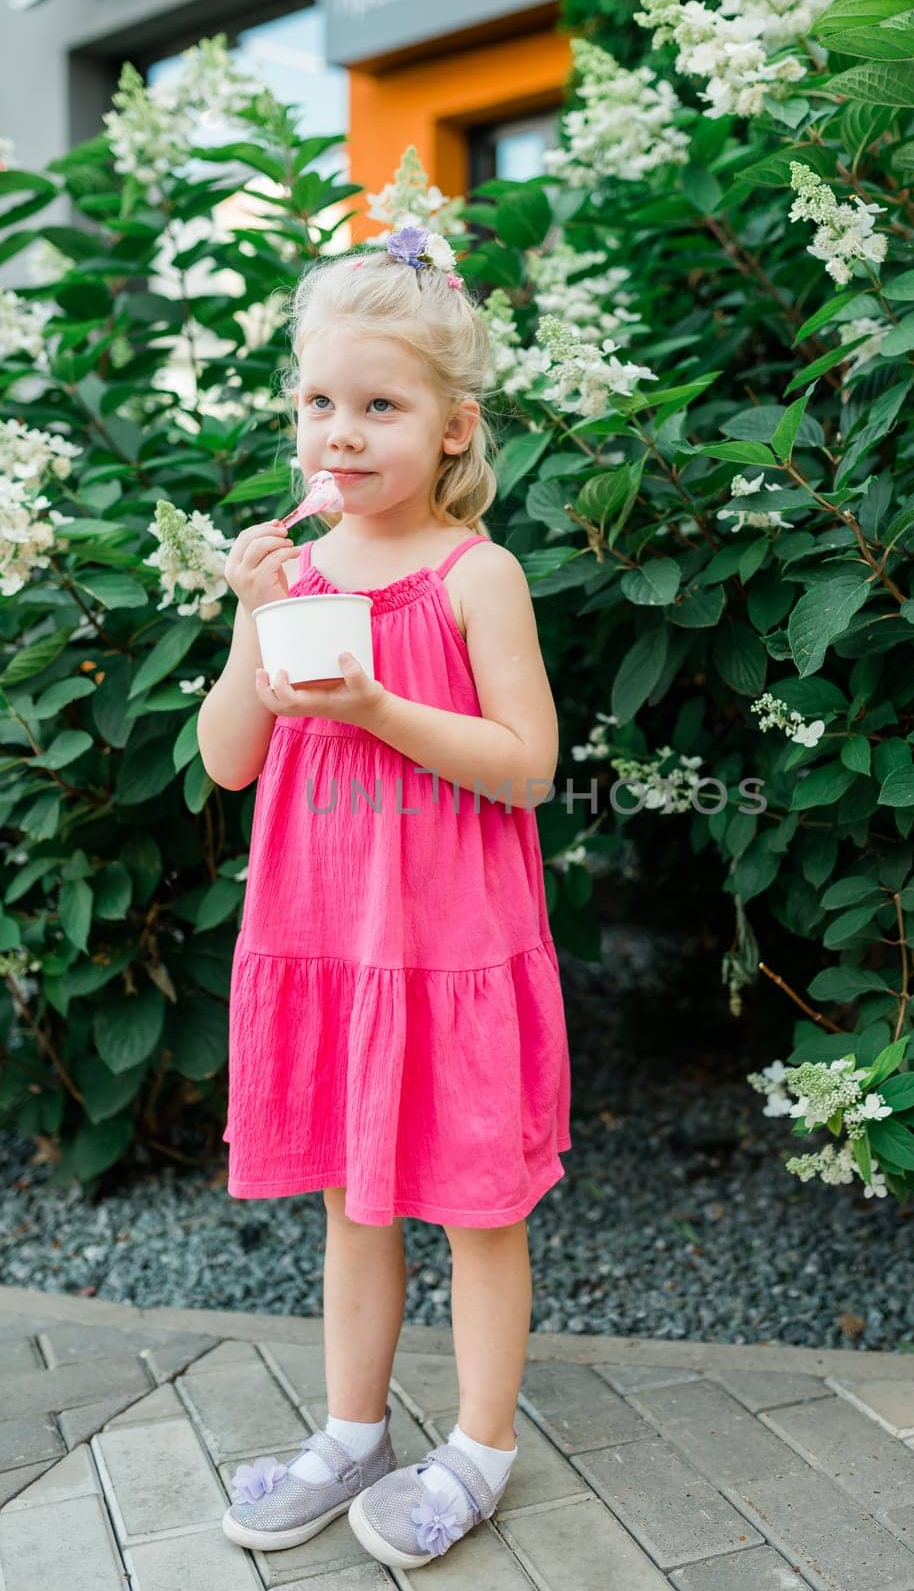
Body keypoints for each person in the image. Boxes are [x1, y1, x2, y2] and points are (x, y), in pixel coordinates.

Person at [197, 225, 572, 1569]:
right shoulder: (293, 573)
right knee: (353, 1206)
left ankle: (476, 1448)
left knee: (477, 1206)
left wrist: (374, 706)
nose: (339, 435)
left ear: (454, 426)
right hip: (327, 946)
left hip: (452, 945)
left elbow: (526, 768)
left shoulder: (478, 576)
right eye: (316, 404)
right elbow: (231, 758)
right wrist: (249, 622)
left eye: (379, 406)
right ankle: (350, 1430)